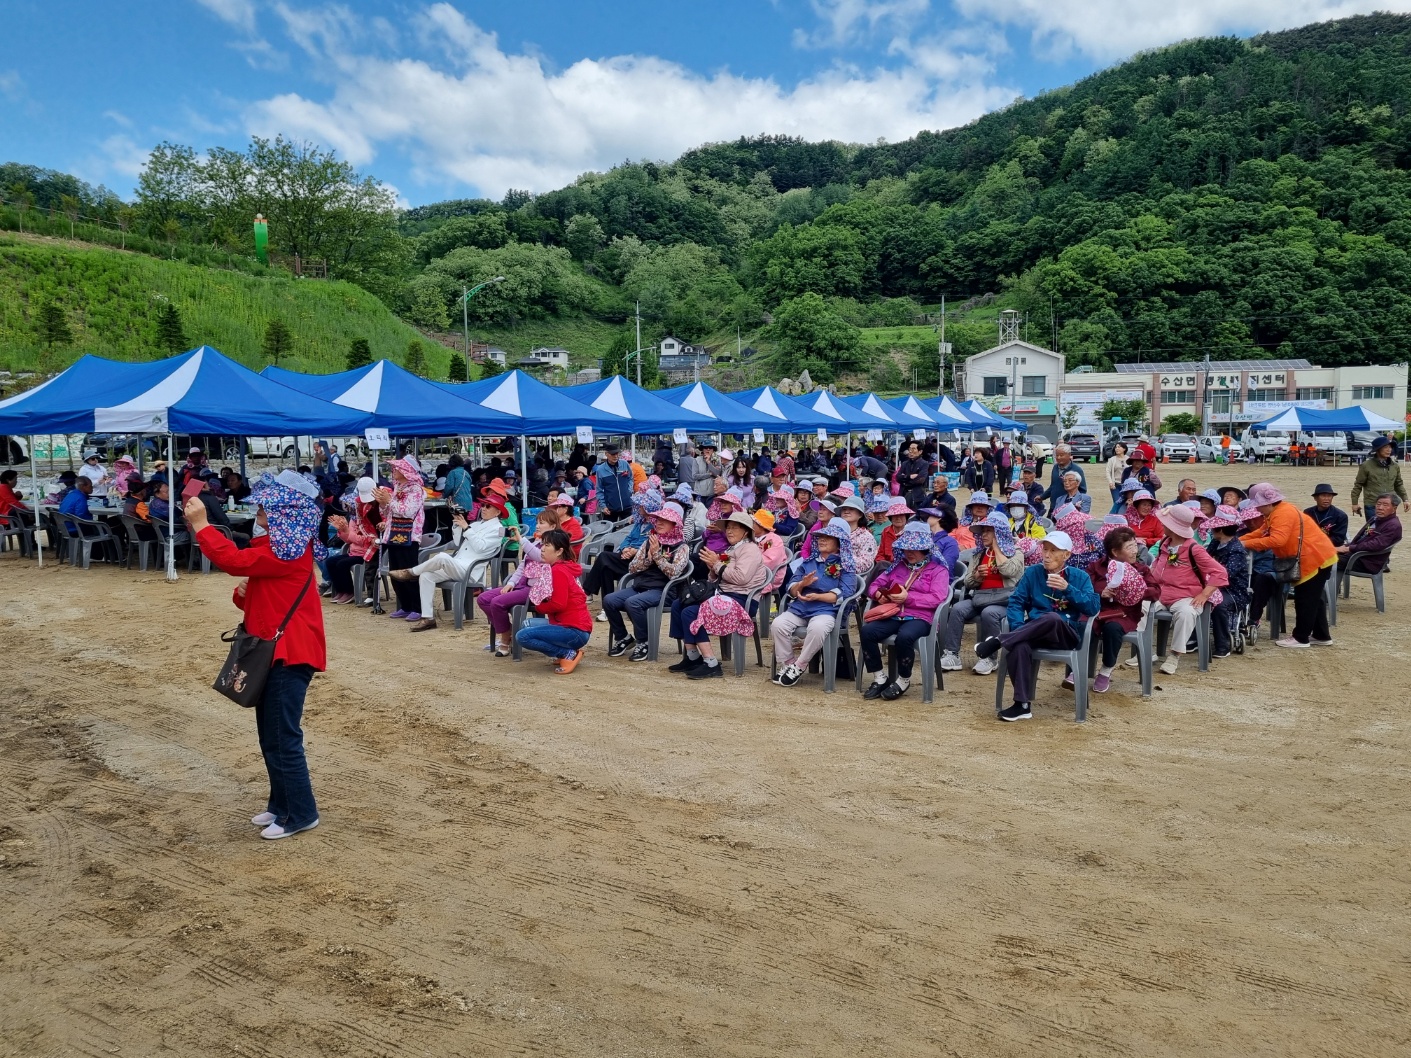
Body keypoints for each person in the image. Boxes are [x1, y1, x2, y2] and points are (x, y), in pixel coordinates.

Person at [185, 470, 325, 840]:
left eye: (269, 505)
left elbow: (232, 560)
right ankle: (282, 806)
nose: (261, 509)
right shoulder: (283, 548)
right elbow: (249, 588)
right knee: (273, 735)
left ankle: (301, 813)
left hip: (288, 653)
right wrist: (244, 592)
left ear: (285, 513)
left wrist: (202, 525)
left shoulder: (286, 552)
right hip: (277, 649)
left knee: (282, 737)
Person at [974, 531, 1100, 722]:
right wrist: (1017, 628)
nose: (1046, 555)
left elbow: (1093, 608)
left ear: (1066, 555)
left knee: (1052, 618)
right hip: (1033, 631)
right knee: (1018, 646)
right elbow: (1016, 602)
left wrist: (1068, 589)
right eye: (1045, 549)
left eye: (1053, 550)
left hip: (1065, 634)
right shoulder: (1033, 572)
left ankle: (999, 640)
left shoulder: (1079, 577)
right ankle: (1022, 705)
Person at [859, 522, 950, 701]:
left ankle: (903, 679)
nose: (909, 551)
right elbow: (875, 584)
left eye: (914, 548)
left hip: (921, 617)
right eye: (906, 547)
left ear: (925, 548)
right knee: (867, 631)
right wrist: (878, 593)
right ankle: (879, 677)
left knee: (905, 636)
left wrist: (908, 598)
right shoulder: (897, 567)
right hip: (893, 613)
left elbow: (938, 598)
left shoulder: (938, 571)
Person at [669, 511, 765, 680]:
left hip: (741, 600)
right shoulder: (731, 548)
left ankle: (711, 663)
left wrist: (717, 564)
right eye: (728, 527)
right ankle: (692, 657)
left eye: (734, 527)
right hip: (723, 595)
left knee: (691, 612)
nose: (729, 531)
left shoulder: (750, 549)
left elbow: (741, 579)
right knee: (680, 604)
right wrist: (712, 568)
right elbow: (717, 578)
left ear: (746, 532)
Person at [1239, 483, 1336, 649]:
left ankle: (1301, 637)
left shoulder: (1282, 513)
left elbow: (1277, 540)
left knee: (1305, 599)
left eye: (1259, 506)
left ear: (1268, 503)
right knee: (1314, 599)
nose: (1257, 511)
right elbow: (1262, 532)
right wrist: (1239, 541)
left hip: (1313, 558)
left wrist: (1245, 544)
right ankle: (1321, 635)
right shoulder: (1278, 511)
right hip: (1314, 556)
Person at [391, 498, 506, 631]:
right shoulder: (476, 524)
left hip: (470, 571)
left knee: (442, 557)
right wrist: (457, 525)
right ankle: (428, 618)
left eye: (488, 506)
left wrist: (466, 528)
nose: (484, 508)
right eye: (483, 505)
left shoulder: (498, 529)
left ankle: (411, 572)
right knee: (426, 575)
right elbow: (457, 543)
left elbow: (481, 547)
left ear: (497, 512)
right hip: (458, 565)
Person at [773, 521, 858, 687]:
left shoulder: (846, 564)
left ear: (839, 543)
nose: (822, 540)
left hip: (826, 610)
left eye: (827, 537)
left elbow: (847, 592)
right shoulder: (808, 562)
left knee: (818, 628)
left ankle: (799, 666)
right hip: (801, 608)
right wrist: (802, 585)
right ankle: (788, 663)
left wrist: (818, 597)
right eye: (820, 537)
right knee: (778, 624)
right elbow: (791, 588)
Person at [1146, 504, 1228, 674]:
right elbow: (1156, 564)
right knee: (1140, 607)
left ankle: (1174, 656)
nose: (1162, 525)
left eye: (1165, 523)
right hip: (1160, 593)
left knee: (1186, 613)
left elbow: (1220, 572)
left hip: (1185, 595)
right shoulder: (1164, 542)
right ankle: (1145, 649)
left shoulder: (1194, 549)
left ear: (1173, 527)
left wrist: (1205, 594)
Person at [940, 511, 1024, 675]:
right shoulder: (979, 554)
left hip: (1004, 600)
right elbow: (967, 582)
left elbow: (1009, 571)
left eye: (988, 531)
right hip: (981, 597)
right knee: (957, 609)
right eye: (982, 531)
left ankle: (989, 658)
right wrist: (977, 576)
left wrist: (997, 548)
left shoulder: (1016, 553)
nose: (983, 535)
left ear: (999, 532)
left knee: (989, 613)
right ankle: (952, 655)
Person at [603, 506, 691, 660]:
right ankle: (623, 637)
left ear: (674, 525)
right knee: (609, 600)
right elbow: (632, 568)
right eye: (658, 520)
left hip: (664, 591)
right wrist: (648, 559)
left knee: (632, 603)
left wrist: (657, 556)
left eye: (665, 521)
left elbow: (674, 573)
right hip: (641, 587)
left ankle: (644, 641)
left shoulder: (681, 547)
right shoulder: (649, 542)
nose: (659, 523)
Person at [1086, 527, 1159, 693]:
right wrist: (1100, 592)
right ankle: (1077, 668)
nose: (1135, 551)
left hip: (1123, 614)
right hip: (1097, 610)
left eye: (1135, 546)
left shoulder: (1141, 569)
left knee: (1112, 628)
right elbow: (1085, 588)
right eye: (1129, 547)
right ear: (1115, 552)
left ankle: (1106, 670)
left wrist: (1135, 589)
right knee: (1082, 625)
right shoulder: (1096, 567)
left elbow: (1156, 591)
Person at [513, 528, 592, 673]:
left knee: (522, 636)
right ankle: (565, 650)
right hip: (573, 626)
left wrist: (539, 608)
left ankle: (566, 653)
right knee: (526, 624)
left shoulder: (558, 571)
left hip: (574, 630)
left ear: (559, 551)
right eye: (542, 544)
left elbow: (558, 604)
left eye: (547, 545)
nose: (542, 549)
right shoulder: (560, 567)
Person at [1202, 505, 1250, 659]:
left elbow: (1226, 575)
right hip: (1213, 585)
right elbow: (1204, 559)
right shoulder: (1216, 543)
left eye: (1214, 528)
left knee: (1218, 604)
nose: (1211, 531)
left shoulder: (1236, 549)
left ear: (1220, 530)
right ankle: (1194, 639)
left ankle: (1223, 645)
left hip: (1233, 591)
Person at [325, 477, 379, 603]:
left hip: (365, 553)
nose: (349, 507)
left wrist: (349, 533)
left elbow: (366, 540)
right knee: (331, 561)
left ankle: (350, 592)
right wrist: (342, 531)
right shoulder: (353, 519)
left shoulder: (368, 519)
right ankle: (341, 590)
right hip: (353, 551)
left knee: (341, 564)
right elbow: (348, 541)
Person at [1336, 492, 1403, 575]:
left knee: (1326, 561)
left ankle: (1325, 588)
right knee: (1323, 555)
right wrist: (1346, 546)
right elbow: (1361, 538)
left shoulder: (1393, 525)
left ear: (1394, 508)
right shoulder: (1376, 519)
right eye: (1378, 504)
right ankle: (1331, 587)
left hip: (1367, 562)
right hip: (1356, 555)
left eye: (1385, 505)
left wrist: (1349, 548)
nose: (1380, 508)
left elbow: (1375, 545)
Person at [1350, 437, 1409, 520]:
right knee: (1373, 531)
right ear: (1377, 450)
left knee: (1389, 529)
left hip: (1390, 504)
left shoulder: (1394, 466)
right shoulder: (1366, 466)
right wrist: (1354, 503)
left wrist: (1405, 499)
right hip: (1372, 505)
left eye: (1390, 447)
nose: (1389, 450)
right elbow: (1358, 485)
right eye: (1385, 447)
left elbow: (1398, 484)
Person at [835, 495, 878, 576]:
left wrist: (840, 562)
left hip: (852, 577)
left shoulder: (866, 537)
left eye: (851, 509)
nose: (846, 512)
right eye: (844, 509)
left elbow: (865, 564)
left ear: (860, 514)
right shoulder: (835, 532)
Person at [1040, 444, 1087, 515]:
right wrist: (1042, 497)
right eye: (1057, 455)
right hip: (1054, 506)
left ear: (1069, 455)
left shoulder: (1077, 470)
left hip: (1068, 509)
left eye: (1061, 455)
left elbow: (1083, 490)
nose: (1058, 457)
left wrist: (1074, 504)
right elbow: (1053, 486)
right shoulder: (1055, 468)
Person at [592, 444, 634, 520]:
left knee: (629, 528)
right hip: (610, 507)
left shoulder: (624, 464)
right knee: (610, 530)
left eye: (617, 454)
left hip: (627, 504)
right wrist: (603, 506)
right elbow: (599, 490)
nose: (616, 456)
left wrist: (629, 490)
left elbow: (630, 478)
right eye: (613, 454)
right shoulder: (600, 470)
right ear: (606, 454)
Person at [918, 506, 961, 575]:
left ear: (938, 518)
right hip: (919, 578)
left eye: (930, 515)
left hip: (938, 582)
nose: (927, 518)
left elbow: (945, 569)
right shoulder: (926, 537)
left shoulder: (950, 543)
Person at [896, 441, 933, 509]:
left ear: (920, 451)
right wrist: (909, 476)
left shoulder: (924, 464)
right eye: (910, 449)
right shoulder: (904, 463)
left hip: (917, 496)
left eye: (913, 449)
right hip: (903, 493)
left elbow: (920, 480)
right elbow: (898, 477)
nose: (910, 451)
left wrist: (905, 481)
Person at [877, 500, 914, 564]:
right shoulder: (886, 531)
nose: (898, 518)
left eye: (901, 515)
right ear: (890, 517)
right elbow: (880, 554)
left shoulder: (912, 532)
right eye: (895, 515)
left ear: (906, 516)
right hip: (887, 567)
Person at [1104, 442, 1128, 512]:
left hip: (1126, 486)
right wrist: (1110, 482)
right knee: (1117, 502)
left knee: (1125, 503)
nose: (1117, 449)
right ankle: (1112, 517)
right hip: (1116, 485)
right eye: (1116, 447)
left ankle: (1119, 517)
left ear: (1124, 449)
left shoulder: (1129, 459)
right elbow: (1108, 471)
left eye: (1119, 447)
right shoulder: (1112, 459)